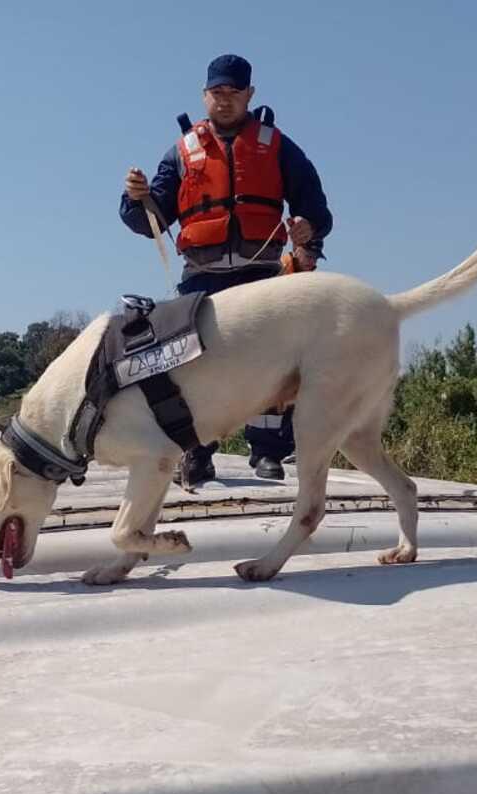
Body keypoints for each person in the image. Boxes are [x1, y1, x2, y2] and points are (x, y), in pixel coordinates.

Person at [121, 53, 333, 485]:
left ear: (249, 95)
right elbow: (153, 220)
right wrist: (135, 198)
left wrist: (309, 227)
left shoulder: (277, 146)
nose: (225, 101)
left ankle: (269, 451)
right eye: (217, 93)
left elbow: (315, 206)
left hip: (262, 273)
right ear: (205, 96)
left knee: (271, 363)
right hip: (202, 276)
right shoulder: (182, 152)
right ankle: (197, 453)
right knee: (192, 367)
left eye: (234, 93)